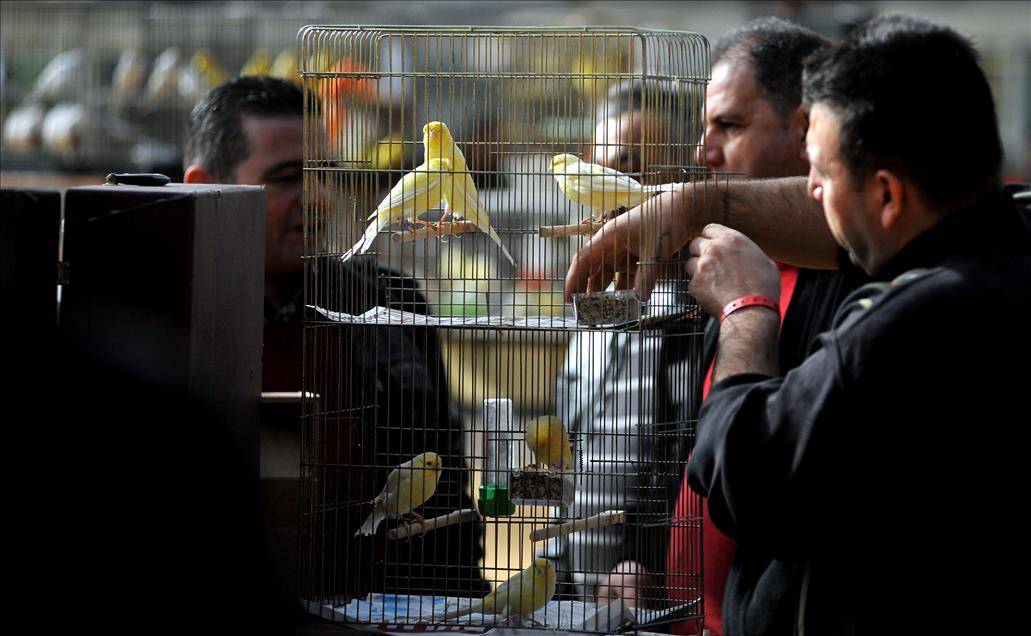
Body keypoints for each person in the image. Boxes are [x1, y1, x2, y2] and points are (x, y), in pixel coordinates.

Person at [566, 14, 1030, 633]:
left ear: (888, 195)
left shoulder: (903, 322)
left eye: (822, 173)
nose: (810, 193)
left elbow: (751, 479)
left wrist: (745, 313)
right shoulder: (1010, 252)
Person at [183, 76, 490, 603]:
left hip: (385, 605)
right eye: (287, 178)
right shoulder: (171, 319)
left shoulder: (390, 300)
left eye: (325, 174)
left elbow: (447, 493)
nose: (318, 197)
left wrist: (454, 604)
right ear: (204, 184)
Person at [665, 19, 869, 636]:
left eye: (730, 125)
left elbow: (769, 479)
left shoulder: (860, 279)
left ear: (807, 128)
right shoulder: (731, 265)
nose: (705, 153)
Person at [540, 78, 701, 610]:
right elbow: (568, 450)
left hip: (651, 593)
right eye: (608, 165)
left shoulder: (695, 305)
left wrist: (648, 557)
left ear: (683, 180)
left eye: (636, 171)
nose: (617, 186)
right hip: (577, 593)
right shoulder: (593, 303)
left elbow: (686, 453)